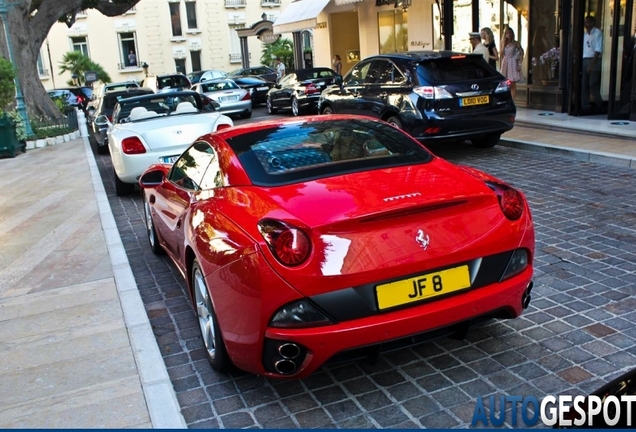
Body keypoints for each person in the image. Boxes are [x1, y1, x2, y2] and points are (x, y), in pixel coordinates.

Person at [582, 15, 603, 110]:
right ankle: (585, 104)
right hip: (584, 59)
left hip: (594, 60)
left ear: (592, 23)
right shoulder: (584, 35)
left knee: (593, 83)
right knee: (584, 84)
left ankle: (599, 103)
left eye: (588, 22)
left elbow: (598, 50)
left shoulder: (598, 33)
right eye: (585, 22)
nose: (586, 24)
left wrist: (592, 64)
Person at [500, 26, 524, 99]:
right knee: (505, 83)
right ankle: (506, 99)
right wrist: (503, 44)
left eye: (510, 33)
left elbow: (522, 52)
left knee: (512, 83)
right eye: (507, 33)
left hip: (512, 62)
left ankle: (513, 100)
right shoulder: (503, 43)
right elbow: (501, 54)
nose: (508, 35)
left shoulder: (515, 43)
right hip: (505, 62)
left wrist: (520, 64)